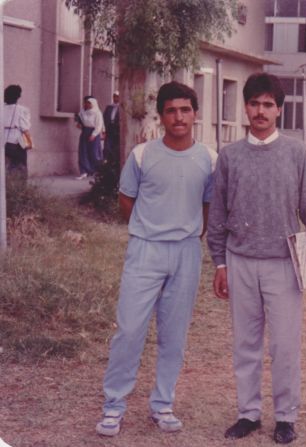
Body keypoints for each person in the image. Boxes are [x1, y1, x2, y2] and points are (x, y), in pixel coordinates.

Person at [207, 72, 306, 444]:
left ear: (279, 109)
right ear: (245, 107)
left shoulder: (297, 153)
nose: (260, 111)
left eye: (268, 105)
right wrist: (220, 263)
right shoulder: (229, 156)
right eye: (254, 104)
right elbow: (217, 215)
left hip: (284, 263)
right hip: (240, 259)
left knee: (284, 344)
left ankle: (285, 416)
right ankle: (248, 413)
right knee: (245, 342)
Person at [95, 81, 215, 437]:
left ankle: (162, 405)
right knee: (130, 330)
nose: (179, 117)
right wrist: (151, 228)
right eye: (171, 110)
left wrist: (190, 233)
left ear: (195, 113)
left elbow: (208, 204)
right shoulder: (143, 154)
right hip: (145, 249)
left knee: (173, 335)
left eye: (185, 110)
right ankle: (113, 406)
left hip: (186, 252)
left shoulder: (209, 159)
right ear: (162, 116)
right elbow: (126, 199)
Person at [3, 84, 32, 174]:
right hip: (16, 143)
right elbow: (25, 129)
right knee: (20, 167)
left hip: (3, 142)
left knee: (5, 168)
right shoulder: (22, 110)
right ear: (18, 96)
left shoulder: (1, 108)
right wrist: (30, 143)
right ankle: (19, 186)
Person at [75, 96, 104, 179]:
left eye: (89, 103)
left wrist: (94, 134)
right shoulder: (83, 111)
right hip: (85, 132)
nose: (87, 104)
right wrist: (79, 125)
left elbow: (99, 125)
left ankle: (96, 171)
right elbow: (80, 121)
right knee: (83, 151)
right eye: (86, 103)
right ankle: (84, 171)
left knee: (94, 152)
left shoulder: (97, 113)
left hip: (93, 132)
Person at [103, 91, 121, 169]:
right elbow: (104, 118)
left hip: (117, 130)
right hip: (109, 129)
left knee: (116, 147)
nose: (115, 98)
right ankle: (107, 163)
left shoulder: (122, 107)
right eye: (114, 96)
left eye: (117, 97)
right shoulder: (109, 107)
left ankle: (115, 164)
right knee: (107, 147)